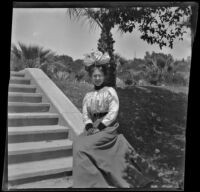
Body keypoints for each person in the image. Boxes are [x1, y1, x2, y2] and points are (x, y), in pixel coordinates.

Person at [72, 50, 158, 188]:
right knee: (78, 143)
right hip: (92, 126)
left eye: (100, 76)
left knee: (85, 146)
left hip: (107, 127)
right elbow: (85, 114)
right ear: (91, 77)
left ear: (104, 76)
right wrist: (89, 126)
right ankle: (88, 181)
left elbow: (113, 112)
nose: (97, 78)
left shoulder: (110, 92)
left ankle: (96, 182)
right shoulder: (88, 95)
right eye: (95, 76)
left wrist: (100, 127)